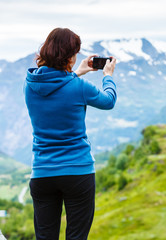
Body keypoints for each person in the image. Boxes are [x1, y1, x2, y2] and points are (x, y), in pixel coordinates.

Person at [24, 28, 117, 240]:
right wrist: (108, 76)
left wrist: (78, 72)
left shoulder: (29, 85)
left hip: (42, 172)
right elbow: (108, 101)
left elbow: (56, 87)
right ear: (69, 56)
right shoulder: (79, 87)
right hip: (78, 172)